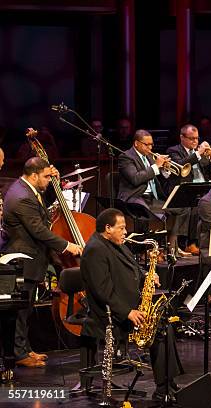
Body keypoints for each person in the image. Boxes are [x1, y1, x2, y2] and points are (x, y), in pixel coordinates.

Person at [80, 208, 182, 401]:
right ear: (108, 228)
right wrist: (128, 312)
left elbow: (133, 267)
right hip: (109, 314)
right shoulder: (95, 249)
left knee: (164, 324)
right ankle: (163, 388)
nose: (125, 232)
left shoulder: (116, 243)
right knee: (158, 331)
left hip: (127, 308)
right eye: (122, 228)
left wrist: (147, 276)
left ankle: (169, 383)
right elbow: (102, 291)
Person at [2, 157, 82, 368]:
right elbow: (38, 229)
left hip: (31, 258)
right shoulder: (22, 197)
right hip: (23, 258)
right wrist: (67, 245)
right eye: (46, 176)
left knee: (26, 309)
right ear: (34, 175)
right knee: (20, 312)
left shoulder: (26, 189)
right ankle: (19, 354)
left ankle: (25, 349)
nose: (49, 180)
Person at [117, 130, 190, 256]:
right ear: (136, 143)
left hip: (152, 198)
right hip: (134, 197)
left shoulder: (149, 156)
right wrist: (156, 166)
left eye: (151, 144)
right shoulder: (126, 157)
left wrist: (165, 169)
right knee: (143, 210)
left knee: (183, 208)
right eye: (147, 144)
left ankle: (172, 247)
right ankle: (143, 251)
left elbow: (158, 177)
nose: (150, 148)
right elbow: (135, 178)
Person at [166, 124, 211, 255]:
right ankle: (188, 243)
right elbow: (180, 166)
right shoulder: (173, 150)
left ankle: (208, 242)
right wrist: (198, 154)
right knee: (196, 206)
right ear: (182, 137)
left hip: (202, 188)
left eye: (197, 138)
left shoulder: (201, 154)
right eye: (191, 138)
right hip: (183, 189)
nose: (195, 141)